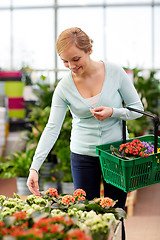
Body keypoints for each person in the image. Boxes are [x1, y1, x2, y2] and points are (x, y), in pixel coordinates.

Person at [27, 27, 144, 240]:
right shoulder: (64, 88)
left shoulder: (115, 72)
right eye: (65, 61)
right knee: (86, 217)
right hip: (82, 156)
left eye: (75, 58)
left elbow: (137, 109)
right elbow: (52, 127)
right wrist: (35, 167)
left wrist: (113, 112)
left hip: (116, 156)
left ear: (89, 49)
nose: (71, 66)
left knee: (115, 215)